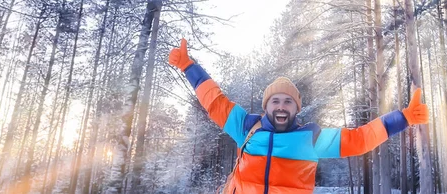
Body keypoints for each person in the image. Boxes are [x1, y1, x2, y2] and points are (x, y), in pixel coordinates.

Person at [168, 38, 429, 194]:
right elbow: (215, 101)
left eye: (288, 102)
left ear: (297, 109)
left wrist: (403, 118)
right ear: (267, 106)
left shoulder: (310, 139)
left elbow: (359, 139)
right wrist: (189, 66)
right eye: (276, 101)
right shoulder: (246, 127)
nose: (281, 107)